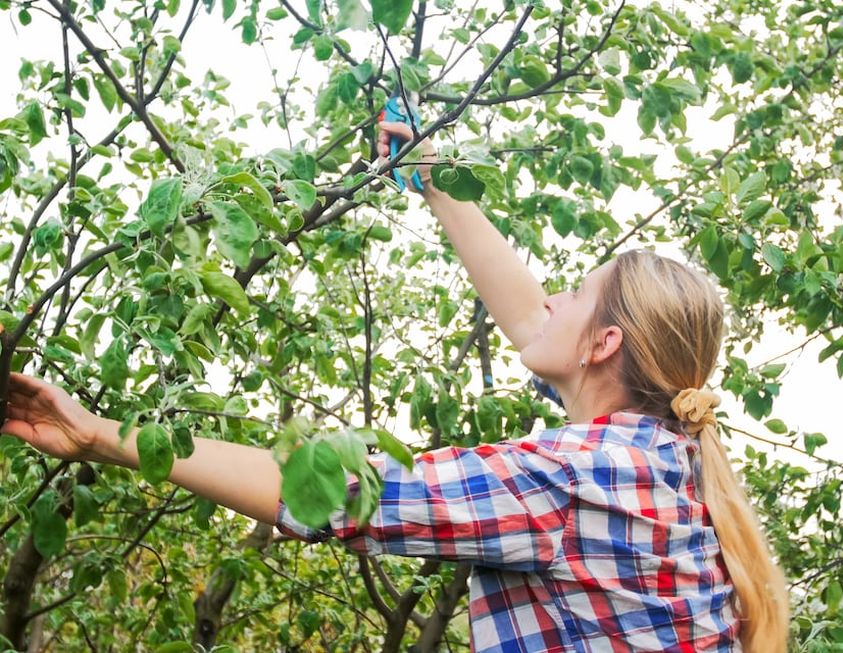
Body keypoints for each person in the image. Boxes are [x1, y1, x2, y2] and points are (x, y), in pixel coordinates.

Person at [1, 122, 789, 652]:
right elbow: (528, 321)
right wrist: (436, 181)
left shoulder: (572, 477)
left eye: (574, 293)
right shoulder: (662, 451)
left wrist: (99, 434)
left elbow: (333, 494)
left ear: (605, 344)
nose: (549, 300)